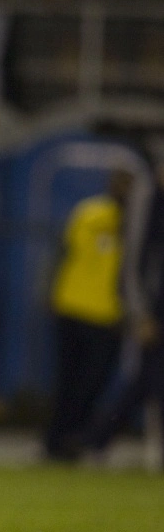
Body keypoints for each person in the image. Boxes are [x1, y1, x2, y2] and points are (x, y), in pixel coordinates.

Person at [85, 144, 164, 466]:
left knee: (148, 378)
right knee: (146, 378)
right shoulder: (148, 198)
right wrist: (139, 311)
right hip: (152, 306)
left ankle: (99, 438)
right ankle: (99, 437)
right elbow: (134, 260)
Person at [43, 170, 130, 461]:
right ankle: (64, 440)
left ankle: (64, 440)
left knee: (76, 382)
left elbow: (61, 251)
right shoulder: (125, 219)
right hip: (94, 311)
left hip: (84, 308)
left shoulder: (89, 211)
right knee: (81, 382)